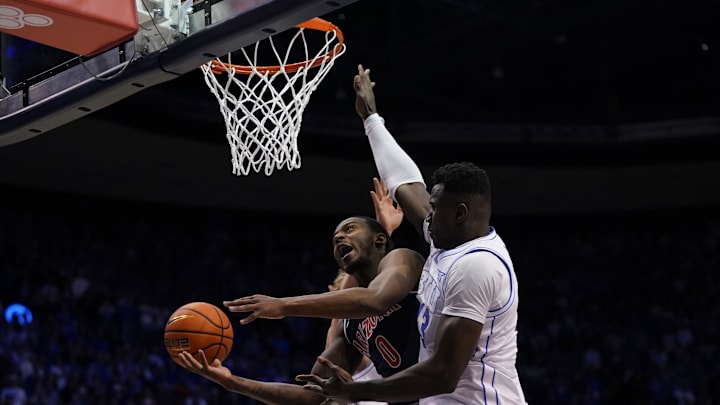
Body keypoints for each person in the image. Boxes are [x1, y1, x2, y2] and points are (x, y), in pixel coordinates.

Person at [294, 64, 527, 404]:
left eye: (435, 207)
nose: (426, 213)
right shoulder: (449, 236)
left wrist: (355, 392)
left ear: (459, 214)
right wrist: (371, 118)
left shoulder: (478, 267)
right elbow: (406, 181)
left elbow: (443, 374)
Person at [179, 182, 426, 405]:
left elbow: (376, 299)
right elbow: (310, 397)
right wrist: (231, 382)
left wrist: (283, 306)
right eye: (335, 239)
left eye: (350, 229)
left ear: (379, 239)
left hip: (450, 391)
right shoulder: (351, 331)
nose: (340, 236)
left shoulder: (403, 258)